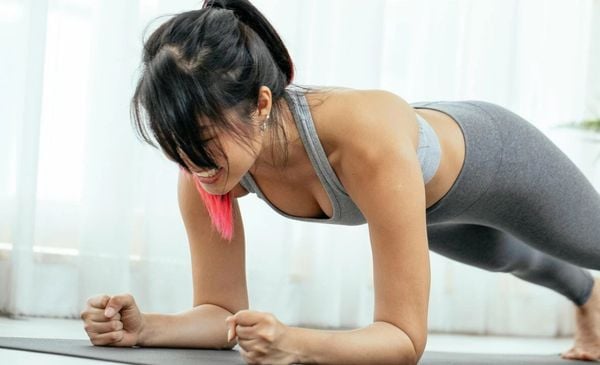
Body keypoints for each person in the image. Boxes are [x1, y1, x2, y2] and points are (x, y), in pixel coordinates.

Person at [79, 0, 600, 364]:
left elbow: (402, 340)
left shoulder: (362, 140)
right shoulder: (204, 168)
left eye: (202, 141)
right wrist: (147, 328)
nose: (192, 166)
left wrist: (296, 344)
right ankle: (590, 300)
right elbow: (221, 313)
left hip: (497, 156)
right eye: (174, 144)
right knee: (513, 257)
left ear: (261, 104)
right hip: (418, 203)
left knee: (590, 243)